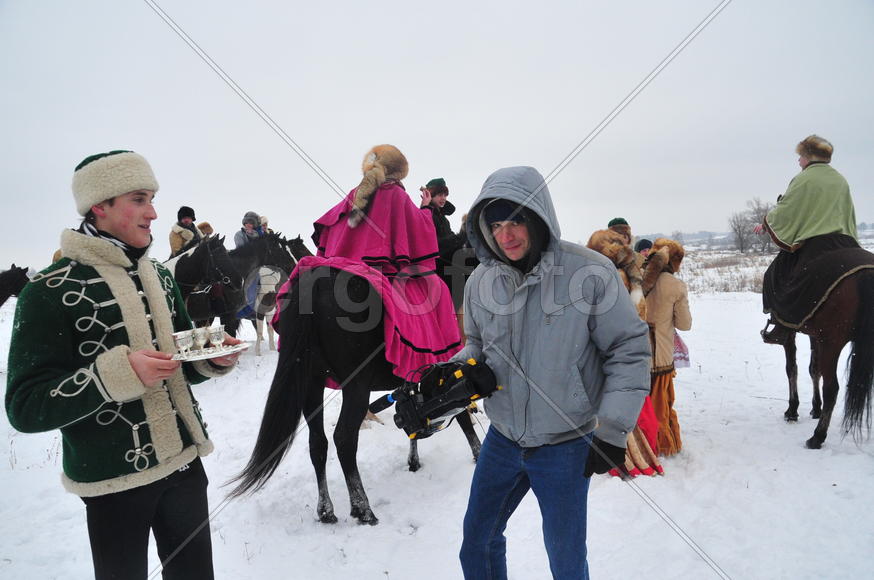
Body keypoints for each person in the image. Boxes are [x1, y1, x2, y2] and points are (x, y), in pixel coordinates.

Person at [6, 150, 242, 579]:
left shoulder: (162, 277)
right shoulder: (46, 292)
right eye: (139, 198)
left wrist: (212, 359)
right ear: (100, 205)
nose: (153, 212)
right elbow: (24, 407)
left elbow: (182, 365)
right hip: (112, 482)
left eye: (152, 198)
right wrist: (115, 375)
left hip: (185, 466)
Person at [453, 166, 651, 579]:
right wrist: (458, 373)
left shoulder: (590, 273)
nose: (505, 235)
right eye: (495, 224)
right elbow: (476, 344)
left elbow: (627, 350)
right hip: (503, 439)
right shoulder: (480, 282)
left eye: (515, 221)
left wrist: (613, 429)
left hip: (566, 443)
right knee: (477, 543)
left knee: (565, 560)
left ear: (538, 216)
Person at [758, 135, 862, 344]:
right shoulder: (839, 178)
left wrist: (767, 222)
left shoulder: (804, 178)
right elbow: (847, 211)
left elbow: (788, 209)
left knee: (774, 275)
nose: (798, 161)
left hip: (816, 243)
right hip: (844, 240)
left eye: (800, 157)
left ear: (808, 156)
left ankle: (781, 325)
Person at [642, 238, 692, 456]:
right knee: (660, 405)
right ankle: (660, 444)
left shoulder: (636, 278)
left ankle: (637, 444)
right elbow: (685, 324)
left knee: (639, 405)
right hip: (660, 355)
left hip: (632, 354)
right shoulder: (675, 286)